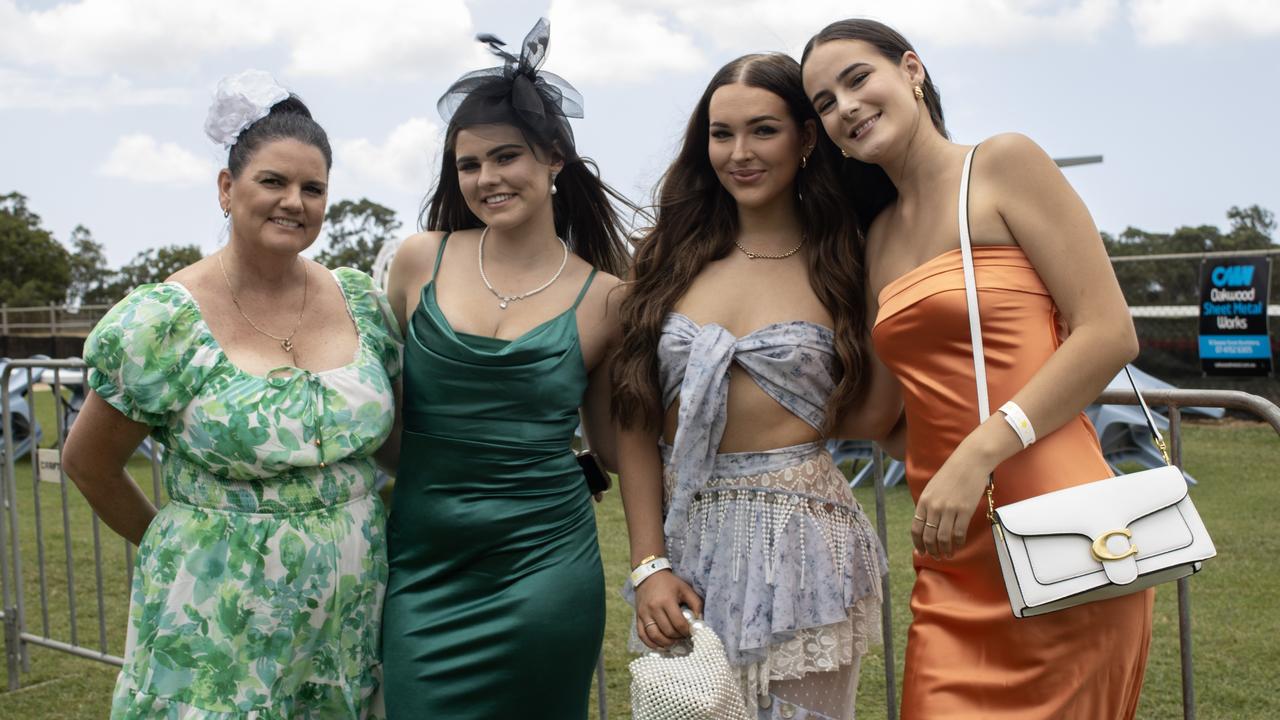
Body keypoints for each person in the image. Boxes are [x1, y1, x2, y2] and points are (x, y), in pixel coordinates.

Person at [801, 19, 1153, 719]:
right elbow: (879, 413)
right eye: (823, 103)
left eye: (856, 78)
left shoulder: (1002, 163)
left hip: (1065, 527)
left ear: (911, 70)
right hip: (951, 550)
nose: (844, 106)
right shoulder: (876, 238)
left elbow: (1109, 332)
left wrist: (977, 453)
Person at [62, 70, 402, 718]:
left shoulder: (361, 302)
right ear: (227, 188)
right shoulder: (163, 321)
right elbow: (87, 462)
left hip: (351, 611)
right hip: (215, 614)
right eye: (272, 181)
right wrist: (176, 541)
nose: (293, 201)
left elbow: (395, 447)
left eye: (313, 188)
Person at [612, 52, 901, 720]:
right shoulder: (664, 258)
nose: (739, 152)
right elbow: (634, 418)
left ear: (806, 138)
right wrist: (649, 564)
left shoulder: (852, 257)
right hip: (689, 542)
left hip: (808, 546)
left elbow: (876, 409)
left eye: (763, 130)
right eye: (722, 134)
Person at [379, 19, 628, 719]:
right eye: (467, 164)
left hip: (544, 570)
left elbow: (614, 447)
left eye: (505, 157)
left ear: (553, 159)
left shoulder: (609, 299)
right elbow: (379, 416)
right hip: (423, 569)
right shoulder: (417, 261)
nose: (485, 178)